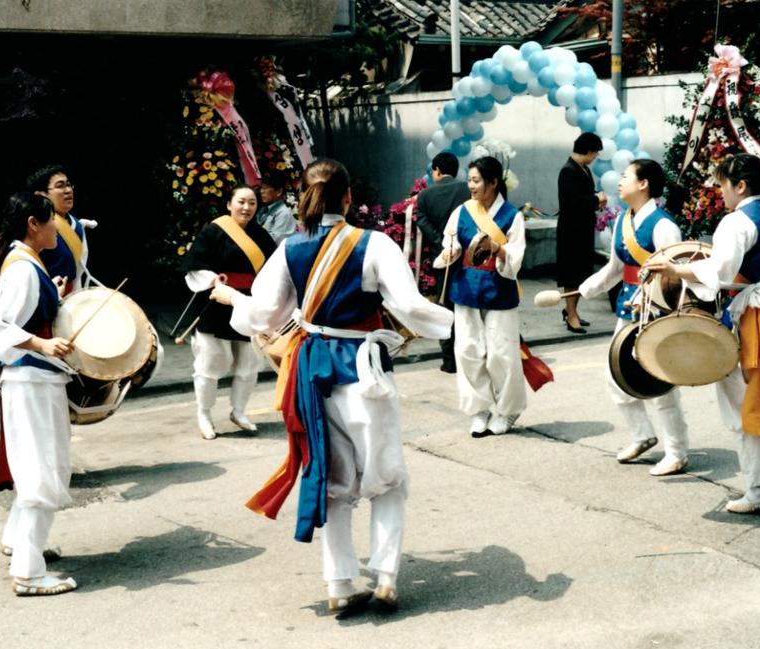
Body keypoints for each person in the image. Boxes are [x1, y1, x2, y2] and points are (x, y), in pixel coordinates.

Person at [210, 158, 452, 614]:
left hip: (314, 372)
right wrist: (451, 322)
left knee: (334, 480)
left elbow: (262, 316)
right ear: (347, 198)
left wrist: (233, 301)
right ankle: (384, 577)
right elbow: (410, 306)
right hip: (365, 370)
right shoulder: (375, 243)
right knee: (388, 479)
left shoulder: (290, 249)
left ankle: (340, 583)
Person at [645, 154, 760, 513]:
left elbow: (720, 272)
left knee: (741, 403)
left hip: (750, 317)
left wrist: (676, 269)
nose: (721, 193)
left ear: (740, 185)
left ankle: (758, 486)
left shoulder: (736, 222)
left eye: (722, 185)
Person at [0, 192, 78, 596]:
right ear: (33, 224)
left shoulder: (26, 262)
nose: (58, 228)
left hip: (32, 380)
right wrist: (40, 344)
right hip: (30, 380)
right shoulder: (22, 268)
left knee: (34, 462)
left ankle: (18, 541)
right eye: (52, 221)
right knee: (43, 466)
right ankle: (29, 572)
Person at [578, 160, 690, 474]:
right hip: (627, 309)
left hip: (655, 313)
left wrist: (652, 300)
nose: (620, 181)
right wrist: (585, 289)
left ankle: (677, 451)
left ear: (643, 184)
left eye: (626, 176)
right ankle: (643, 435)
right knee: (615, 376)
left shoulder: (664, 225)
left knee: (659, 383)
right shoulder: (624, 220)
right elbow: (616, 268)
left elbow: (672, 277)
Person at [435, 156, 527, 438]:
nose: (471, 186)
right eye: (470, 180)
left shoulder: (513, 215)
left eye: (476, 181)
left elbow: (515, 258)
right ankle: (479, 410)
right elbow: (449, 242)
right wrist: (449, 253)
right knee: (467, 352)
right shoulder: (462, 211)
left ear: (493, 182)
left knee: (501, 354)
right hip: (465, 287)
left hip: (498, 288)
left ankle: (509, 409)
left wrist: (497, 249)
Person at [182, 184, 277, 439]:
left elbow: (275, 269)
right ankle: (204, 414)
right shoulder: (212, 231)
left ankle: (239, 411)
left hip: (247, 304)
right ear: (229, 204)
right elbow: (195, 265)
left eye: (252, 203)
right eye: (241, 202)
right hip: (216, 302)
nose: (246, 207)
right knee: (212, 360)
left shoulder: (262, 236)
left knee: (249, 362)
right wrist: (214, 280)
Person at [415, 152, 471, 373]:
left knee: (446, 307)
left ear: (436, 170)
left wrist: (442, 243)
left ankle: (449, 361)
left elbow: (422, 221)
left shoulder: (425, 195)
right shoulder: (468, 190)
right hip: (469, 256)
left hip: (443, 259)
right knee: (468, 305)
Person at [557, 133, 607, 333]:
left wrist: (595, 199)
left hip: (583, 229)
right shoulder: (568, 171)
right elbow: (573, 203)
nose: (595, 157)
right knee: (572, 275)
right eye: (594, 153)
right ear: (587, 151)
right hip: (571, 231)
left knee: (580, 274)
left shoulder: (583, 169)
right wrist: (596, 199)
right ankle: (571, 315)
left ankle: (571, 310)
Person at [26, 164, 99, 294]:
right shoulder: (34, 226)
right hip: (42, 296)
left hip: (68, 299)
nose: (68, 190)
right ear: (40, 194)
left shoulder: (77, 225)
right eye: (60, 186)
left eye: (69, 185)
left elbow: (77, 274)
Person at [257, 171, 298, 244]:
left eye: (265, 188)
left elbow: (273, 242)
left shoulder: (283, 213)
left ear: (279, 191)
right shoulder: (263, 209)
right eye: (261, 187)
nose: (261, 191)